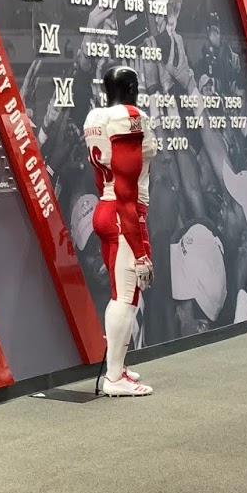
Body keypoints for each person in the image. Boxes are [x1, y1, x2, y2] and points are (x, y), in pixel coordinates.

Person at [84, 65, 157, 397]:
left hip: (106, 206)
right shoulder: (129, 118)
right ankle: (114, 377)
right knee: (126, 297)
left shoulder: (96, 117)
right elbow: (127, 191)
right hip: (123, 213)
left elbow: (103, 178)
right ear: (131, 88)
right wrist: (140, 252)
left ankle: (117, 367)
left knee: (120, 292)